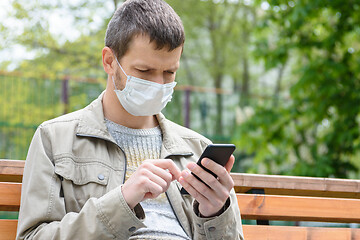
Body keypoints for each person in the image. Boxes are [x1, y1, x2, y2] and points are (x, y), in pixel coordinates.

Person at [16, 0, 244, 239]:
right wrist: (122, 201)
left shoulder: (196, 149)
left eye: (169, 72)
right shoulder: (54, 139)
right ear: (109, 61)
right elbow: (33, 236)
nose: (158, 84)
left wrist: (214, 214)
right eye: (144, 72)